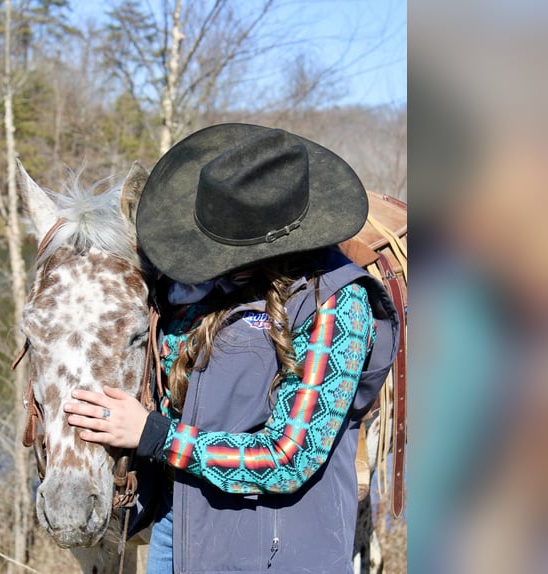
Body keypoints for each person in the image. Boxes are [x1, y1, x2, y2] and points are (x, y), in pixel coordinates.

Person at [63, 123, 400, 573]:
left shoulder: (336, 303)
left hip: (277, 552)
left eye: (219, 248)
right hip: (179, 528)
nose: (201, 261)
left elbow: (289, 456)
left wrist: (154, 435)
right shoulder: (196, 286)